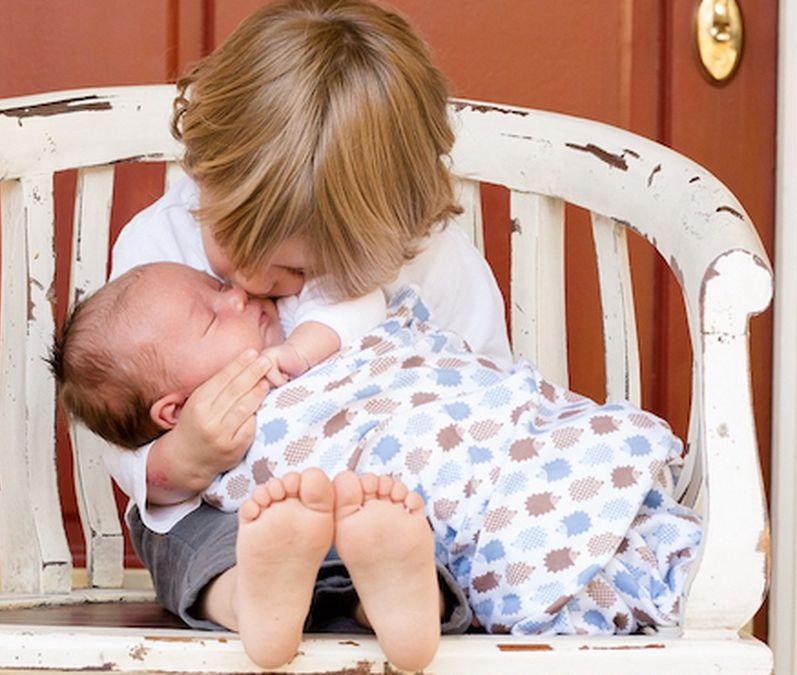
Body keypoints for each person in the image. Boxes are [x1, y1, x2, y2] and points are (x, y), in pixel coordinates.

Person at [57, 1, 510, 669]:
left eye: (296, 269)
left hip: (393, 503)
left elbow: (486, 392)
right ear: (203, 171)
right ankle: (251, 597)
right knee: (177, 532)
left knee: (432, 533)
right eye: (226, 247)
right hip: (245, 516)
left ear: (387, 231)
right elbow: (120, 405)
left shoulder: (432, 261)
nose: (246, 282)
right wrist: (176, 459)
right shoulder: (159, 243)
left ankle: (399, 595)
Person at [58, 262, 702, 641]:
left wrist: (303, 349)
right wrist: (193, 448)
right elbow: (152, 484)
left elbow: (378, 320)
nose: (238, 294)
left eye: (216, 285)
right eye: (211, 315)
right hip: (382, 502)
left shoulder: (306, 311)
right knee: (325, 510)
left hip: (489, 442)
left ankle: (392, 591)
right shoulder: (160, 277)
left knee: (407, 494)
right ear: (173, 409)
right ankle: (377, 592)